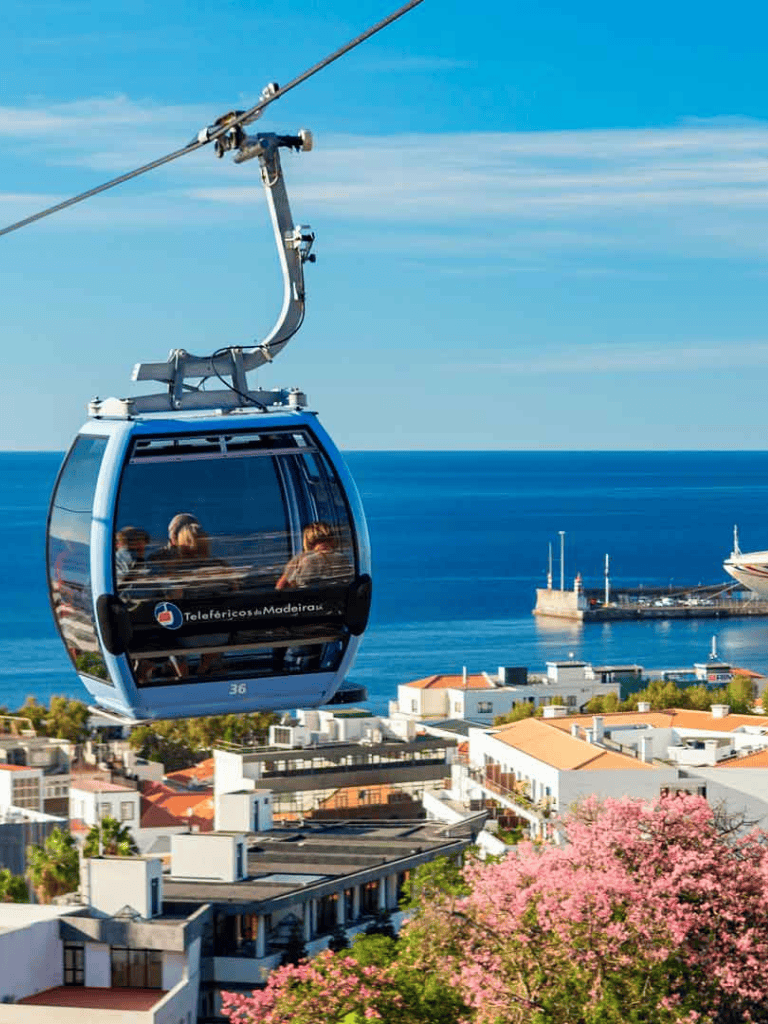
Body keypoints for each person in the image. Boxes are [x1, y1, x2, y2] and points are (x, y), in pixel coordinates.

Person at [276, 521, 352, 590]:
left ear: (333, 540)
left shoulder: (341, 559)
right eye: (315, 542)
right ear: (308, 544)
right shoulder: (300, 559)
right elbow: (281, 586)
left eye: (327, 540)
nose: (322, 545)